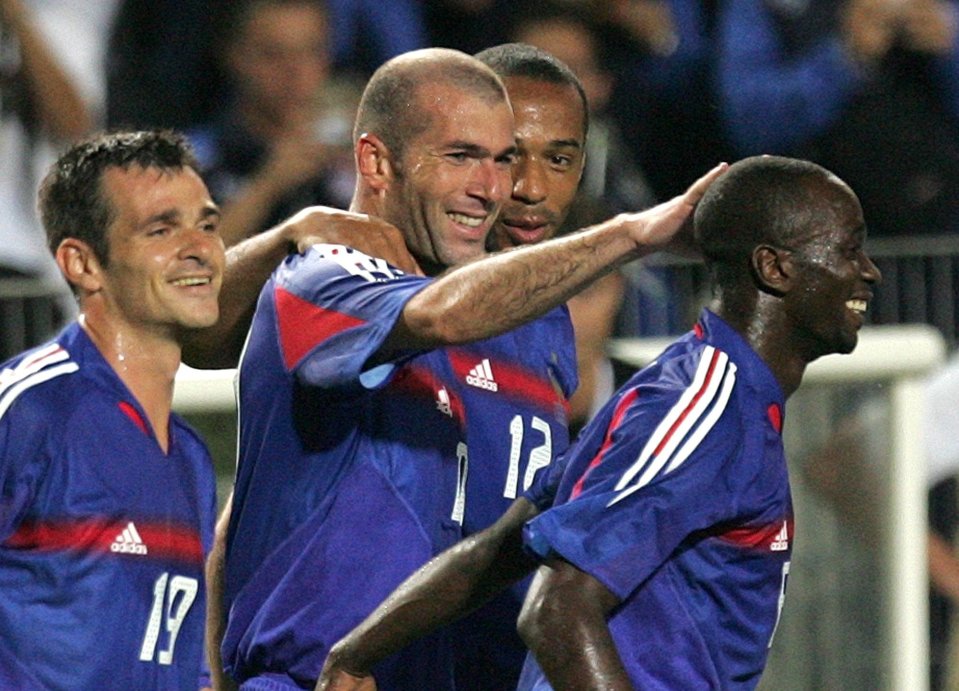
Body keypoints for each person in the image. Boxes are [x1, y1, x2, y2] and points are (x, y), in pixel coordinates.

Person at [216, 46, 724, 690]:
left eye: (507, 158)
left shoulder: (543, 325)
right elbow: (240, 503)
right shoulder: (329, 272)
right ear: (378, 160)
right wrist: (631, 236)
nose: (510, 187)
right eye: (463, 155)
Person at [316, 155, 882, 690]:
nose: (869, 272)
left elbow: (507, 545)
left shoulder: (693, 392)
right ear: (775, 267)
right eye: (849, 250)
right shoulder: (707, 409)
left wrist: (355, 654)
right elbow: (557, 609)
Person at [0, 130, 222, 689]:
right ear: (82, 263)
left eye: (208, 224)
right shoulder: (30, 411)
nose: (199, 247)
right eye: (161, 229)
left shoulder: (190, 458)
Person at [188, 0, 357, 247]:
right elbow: (191, 258)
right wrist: (270, 184)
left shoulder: (352, 150)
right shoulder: (195, 160)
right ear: (235, 57)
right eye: (273, 54)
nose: (295, 72)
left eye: (311, 51)